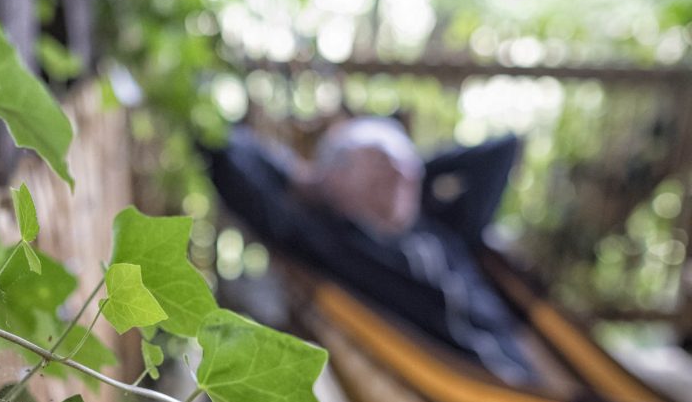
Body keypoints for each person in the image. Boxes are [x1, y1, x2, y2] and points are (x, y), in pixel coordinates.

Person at [205, 116, 537, 385]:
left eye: (409, 173)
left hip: (529, 389)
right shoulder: (334, 244)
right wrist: (307, 181)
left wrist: (411, 165)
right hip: (472, 393)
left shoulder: (444, 228)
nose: (400, 175)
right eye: (382, 164)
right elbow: (226, 152)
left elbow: (503, 150)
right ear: (334, 175)